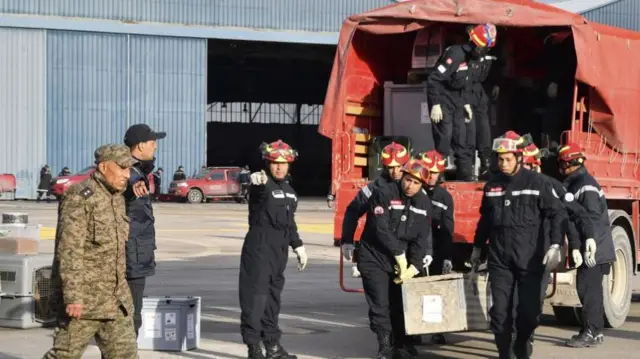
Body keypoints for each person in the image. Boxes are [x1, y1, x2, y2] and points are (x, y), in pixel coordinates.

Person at [470, 131, 566, 359]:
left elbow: (558, 214)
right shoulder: (492, 186)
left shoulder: (538, 183)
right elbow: (485, 220)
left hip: (530, 260)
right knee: (500, 314)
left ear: (519, 158)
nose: (503, 164)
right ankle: (506, 354)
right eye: (500, 159)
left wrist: (555, 245)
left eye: (508, 159)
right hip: (500, 260)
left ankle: (522, 347)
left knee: (528, 313)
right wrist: (476, 248)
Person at [43, 144, 139, 359]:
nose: (127, 174)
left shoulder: (117, 198)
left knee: (126, 355)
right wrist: (73, 296)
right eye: (122, 168)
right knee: (64, 355)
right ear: (104, 167)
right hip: (85, 301)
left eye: (129, 169)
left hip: (115, 301)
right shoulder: (80, 197)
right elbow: (69, 249)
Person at [239, 140, 308, 359]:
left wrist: (298, 245)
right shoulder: (262, 184)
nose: (279, 167)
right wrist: (255, 183)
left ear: (290, 164)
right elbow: (257, 197)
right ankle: (254, 348)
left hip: (279, 255)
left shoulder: (290, 192)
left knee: (272, 302)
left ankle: (272, 347)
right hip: (259, 252)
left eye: (283, 163)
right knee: (255, 301)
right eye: (274, 163)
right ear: (267, 163)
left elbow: (290, 224)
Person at [359, 158, 433, 359]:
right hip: (374, 256)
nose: (410, 186)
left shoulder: (424, 203)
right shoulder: (384, 194)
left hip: (399, 262)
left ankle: (401, 342)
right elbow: (380, 229)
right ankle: (384, 346)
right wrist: (400, 255)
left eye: (416, 183)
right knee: (380, 303)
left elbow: (421, 237)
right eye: (408, 180)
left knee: (400, 303)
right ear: (403, 177)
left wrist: (414, 266)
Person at [557, 142, 616, 348]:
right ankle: (595, 331)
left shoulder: (585, 185)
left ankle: (591, 331)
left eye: (562, 165)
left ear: (570, 164)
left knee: (587, 289)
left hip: (594, 248)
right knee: (592, 290)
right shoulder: (577, 183)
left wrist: (586, 245)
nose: (560, 170)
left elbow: (590, 218)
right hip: (593, 246)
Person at [427, 23, 497, 180]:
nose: (481, 51)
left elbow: (467, 83)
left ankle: (464, 176)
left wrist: (466, 103)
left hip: (459, 99)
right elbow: (434, 79)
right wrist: (436, 104)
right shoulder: (456, 54)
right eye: (479, 47)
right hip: (443, 97)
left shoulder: (474, 59)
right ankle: (438, 174)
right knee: (445, 135)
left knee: (462, 138)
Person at [341, 142, 410, 278]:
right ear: (384, 166)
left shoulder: (414, 186)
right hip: (379, 251)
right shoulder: (374, 188)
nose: (395, 172)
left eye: (398, 166)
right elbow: (353, 210)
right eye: (390, 167)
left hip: (405, 250)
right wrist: (347, 240)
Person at [123, 123, 166, 337]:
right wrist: (132, 186)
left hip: (137, 253)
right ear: (140, 146)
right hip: (131, 256)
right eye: (152, 142)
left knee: (131, 316)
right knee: (130, 317)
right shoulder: (130, 175)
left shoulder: (138, 172)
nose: (155, 147)